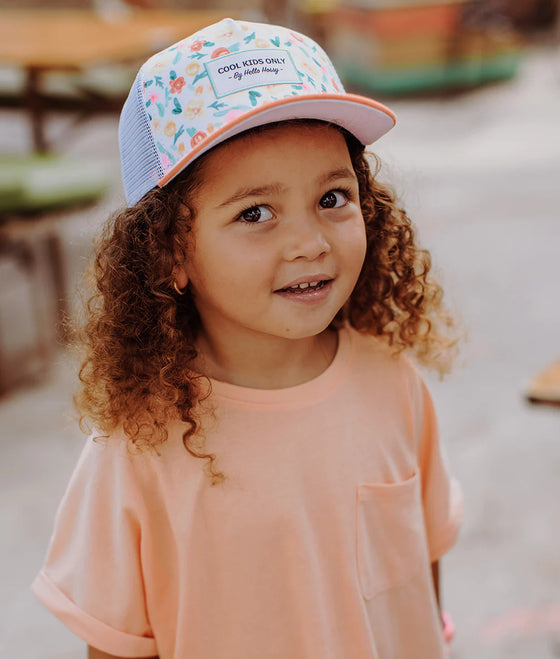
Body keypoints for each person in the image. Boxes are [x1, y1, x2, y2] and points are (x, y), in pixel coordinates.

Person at [32, 17, 463, 659]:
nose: (310, 242)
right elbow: (117, 643)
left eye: (333, 197)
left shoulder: (392, 379)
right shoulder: (138, 444)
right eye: (255, 213)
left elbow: (423, 570)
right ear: (168, 253)